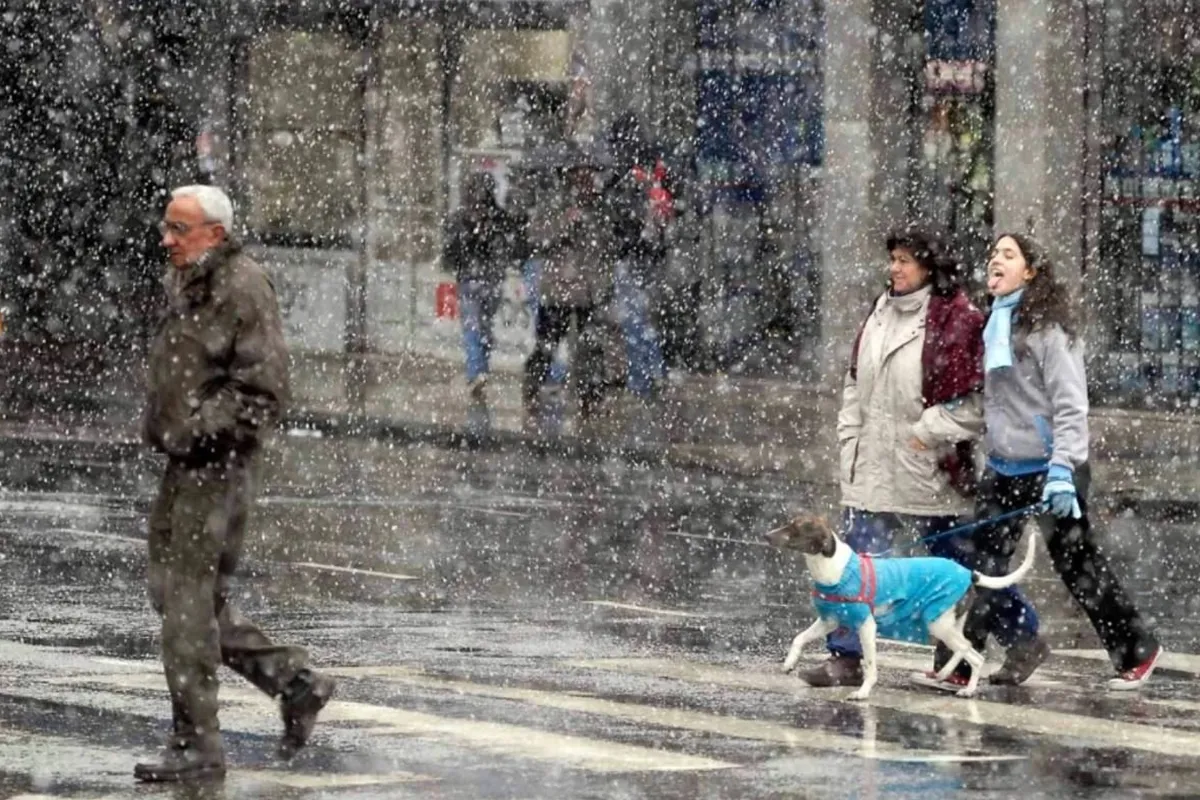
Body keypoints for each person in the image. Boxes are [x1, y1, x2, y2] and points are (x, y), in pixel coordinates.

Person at [138, 185, 335, 782]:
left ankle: (197, 744)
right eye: (167, 227)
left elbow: (264, 389)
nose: (166, 239)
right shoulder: (192, 279)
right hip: (185, 463)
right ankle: (294, 682)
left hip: (216, 467)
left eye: (179, 229)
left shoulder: (241, 285)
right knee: (175, 598)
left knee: (188, 606)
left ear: (215, 235)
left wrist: (200, 431)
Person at [927, 233, 1162, 690]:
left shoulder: (1049, 331)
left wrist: (1062, 472)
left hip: (1053, 467)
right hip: (1004, 466)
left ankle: (1137, 649)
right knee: (983, 567)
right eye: (994, 253)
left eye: (1008, 254)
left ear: (1030, 272)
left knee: (1077, 565)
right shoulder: (994, 325)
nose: (996, 259)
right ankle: (958, 665)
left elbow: (1071, 405)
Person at [800, 227, 992, 688]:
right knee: (855, 565)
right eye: (893, 259)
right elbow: (854, 379)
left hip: (930, 467)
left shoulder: (957, 319)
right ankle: (845, 657)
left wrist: (925, 434)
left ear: (929, 266)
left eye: (905, 260)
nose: (895, 268)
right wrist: (851, 433)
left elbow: (975, 402)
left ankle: (988, 646)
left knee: (950, 564)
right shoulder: (879, 311)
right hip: (872, 464)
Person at [523, 161, 614, 421]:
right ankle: (532, 390)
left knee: (590, 348)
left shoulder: (599, 207)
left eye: (589, 174)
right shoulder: (555, 204)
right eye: (579, 174)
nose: (585, 179)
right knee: (547, 345)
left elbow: (606, 245)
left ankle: (590, 398)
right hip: (558, 291)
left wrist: (601, 282)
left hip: (588, 292)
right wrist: (564, 223)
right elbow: (536, 237)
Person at [442, 171, 526, 402]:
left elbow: (510, 242)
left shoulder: (493, 218)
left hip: (485, 279)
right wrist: (472, 235)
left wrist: (487, 235)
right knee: (476, 328)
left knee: (480, 328)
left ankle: (479, 370)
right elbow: (450, 253)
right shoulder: (463, 219)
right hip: (474, 278)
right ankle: (477, 371)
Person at [604, 112, 669, 400]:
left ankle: (642, 379)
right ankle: (654, 371)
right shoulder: (650, 166)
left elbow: (618, 214)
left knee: (633, 319)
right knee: (641, 317)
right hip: (648, 254)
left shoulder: (624, 172)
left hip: (629, 254)